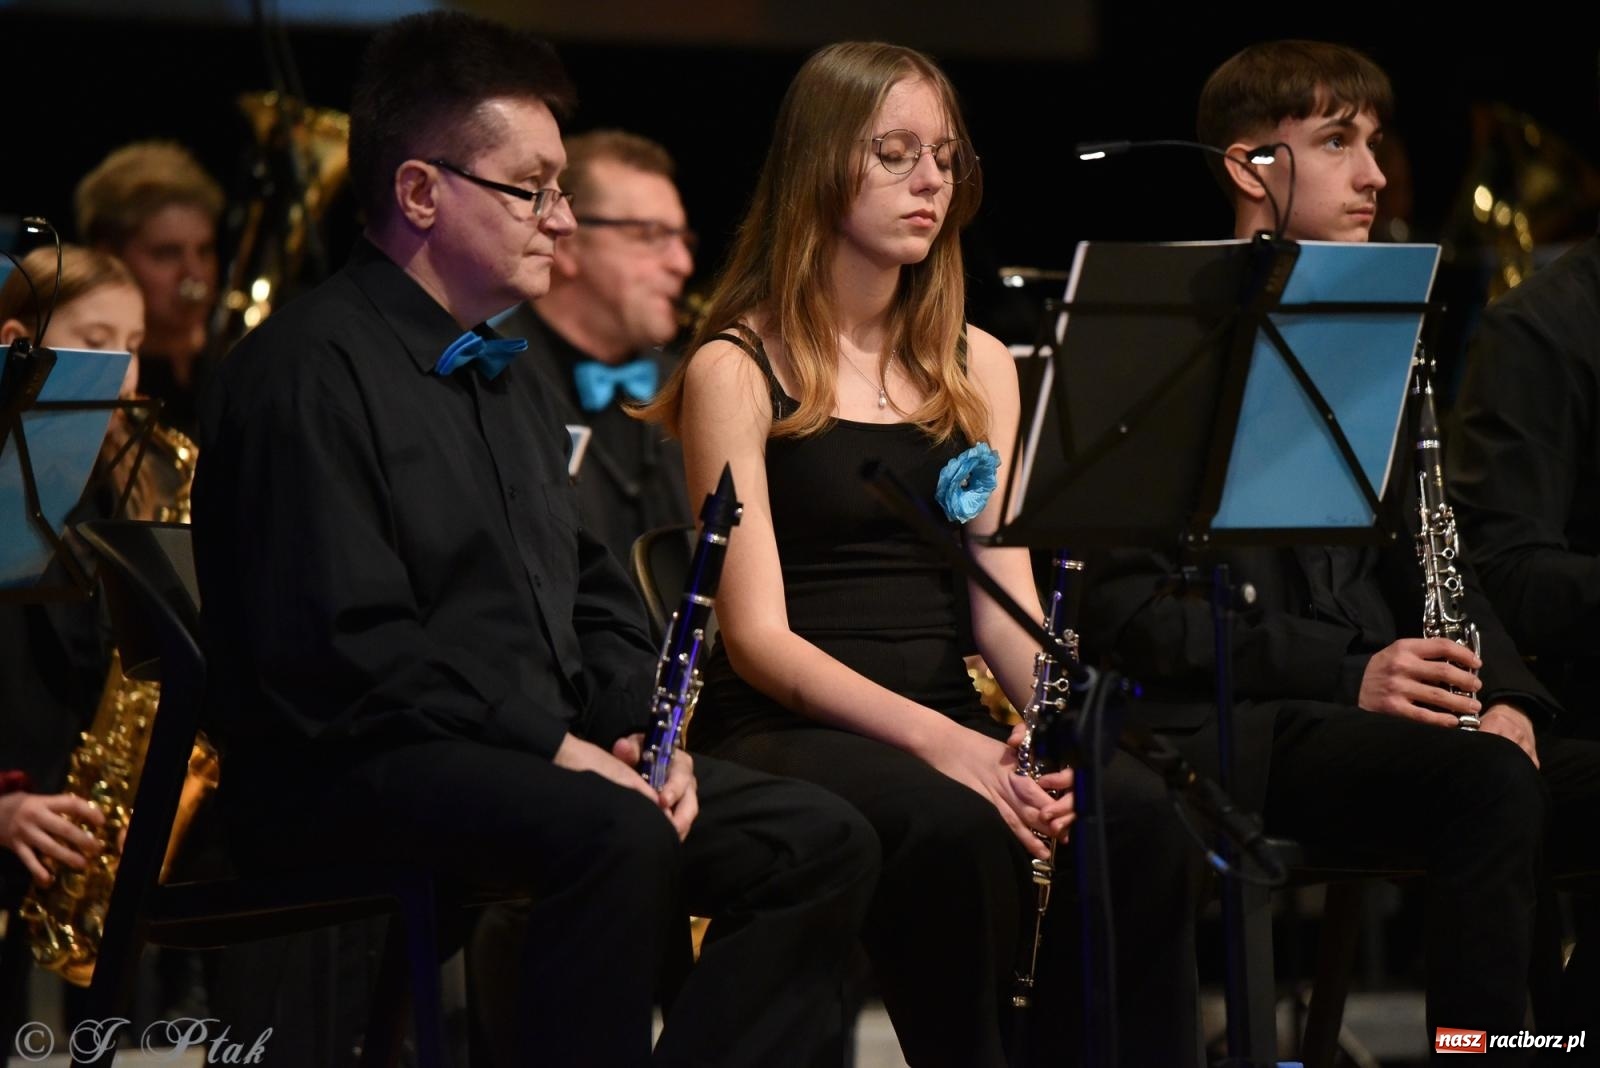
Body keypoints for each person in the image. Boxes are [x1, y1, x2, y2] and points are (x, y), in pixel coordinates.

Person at [191, 12, 877, 1068]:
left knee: (819, 841)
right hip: (343, 772)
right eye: (533, 188)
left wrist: (641, 743)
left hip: (502, 754)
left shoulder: (502, 374)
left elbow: (588, 595)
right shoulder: (304, 368)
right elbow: (350, 648)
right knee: (610, 836)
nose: (560, 219)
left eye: (559, 188)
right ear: (421, 192)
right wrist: (551, 749)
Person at [641, 40, 1201, 1068]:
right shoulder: (736, 363)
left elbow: (1002, 611)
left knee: (1133, 814)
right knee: (954, 829)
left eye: (943, 156)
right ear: (819, 167)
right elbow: (758, 640)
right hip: (785, 722)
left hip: (951, 708)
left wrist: (1061, 733)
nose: (929, 181)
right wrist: (946, 748)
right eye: (893, 154)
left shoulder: (977, 361)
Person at [1085, 39, 1600, 1055]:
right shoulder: (1147, 337)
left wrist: (1507, 698)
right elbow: (1127, 611)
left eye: (1371, 140)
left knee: (1517, 765)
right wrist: (1351, 670)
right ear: (1248, 168)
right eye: (1335, 142)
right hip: (1245, 721)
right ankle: (1482, 1054)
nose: (1373, 173)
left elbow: (1434, 557)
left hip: (1371, 714)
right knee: (1486, 788)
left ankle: (1562, 1042)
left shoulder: (1371, 327)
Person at [495, 129, 693, 565]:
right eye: (651, 234)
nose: (682, 264)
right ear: (567, 241)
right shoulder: (489, 377)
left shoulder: (687, 387)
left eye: (682, 239)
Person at [75, 141, 222, 435]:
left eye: (204, 251)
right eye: (167, 253)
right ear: (109, 258)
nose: (194, 275)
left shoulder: (228, 361)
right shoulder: (92, 382)